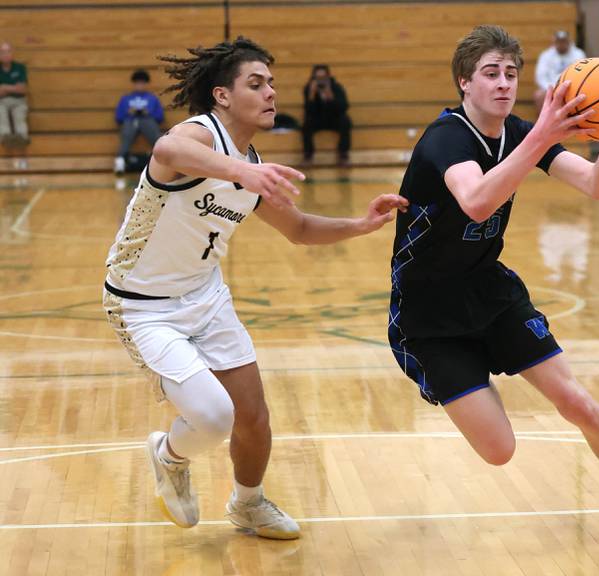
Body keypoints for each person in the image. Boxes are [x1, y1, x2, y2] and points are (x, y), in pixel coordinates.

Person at [387, 25, 599, 535]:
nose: (503, 84)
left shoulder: (521, 131)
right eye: (490, 74)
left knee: (575, 400)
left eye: (511, 73)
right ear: (464, 82)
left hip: (489, 289)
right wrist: (544, 134)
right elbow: (477, 201)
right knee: (499, 449)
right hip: (427, 312)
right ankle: (461, 380)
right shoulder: (445, 138)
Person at [102, 37, 407, 539]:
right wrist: (244, 171)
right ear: (222, 96)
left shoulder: (250, 162)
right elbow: (164, 148)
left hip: (205, 296)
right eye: (256, 83)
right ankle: (168, 453)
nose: (271, 93)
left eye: (272, 84)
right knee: (214, 416)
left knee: (253, 415)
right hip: (141, 305)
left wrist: (359, 223)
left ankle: (248, 504)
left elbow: (301, 228)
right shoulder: (199, 135)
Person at [114, 69, 165, 174]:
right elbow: (119, 117)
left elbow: (160, 117)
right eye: (137, 83)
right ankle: (120, 160)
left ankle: (163, 158)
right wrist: (129, 113)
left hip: (147, 122)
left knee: (148, 123)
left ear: (146, 84)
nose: (140, 85)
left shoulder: (152, 99)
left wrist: (147, 113)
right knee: (130, 125)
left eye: (142, 83)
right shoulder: (126, 99)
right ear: (134, 84)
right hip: (131, 122)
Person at [302, 64, 351, 165]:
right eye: (318, 78)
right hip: (317, 119)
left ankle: (343, 155)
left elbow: (343, 107)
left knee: (345, 121)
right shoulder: (309, 88)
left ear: (328, 77)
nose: (321, 81)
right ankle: (308, 156)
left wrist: (331, 97)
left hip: (334, 119)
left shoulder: (336, 87)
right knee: (306, 124)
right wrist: (311, 96)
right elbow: (308, 111)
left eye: (323, 78)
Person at [533, 31, 585, 114]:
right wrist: (551, 89)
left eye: (564, 41)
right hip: (550, 88)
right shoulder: (546, 55)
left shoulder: (578, 54)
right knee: (539, 95)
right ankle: (543, 124)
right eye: (559, 42)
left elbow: (582, 75)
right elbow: (540, 77)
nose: (561, 44)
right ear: (555, 42)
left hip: (572, 88)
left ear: (568, 41)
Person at [0, 41, 29, 148]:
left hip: (19, 101)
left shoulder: (20, 68)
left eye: (8, 51)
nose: (5, 54)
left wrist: (4, 87)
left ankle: (22, 138)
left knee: (19, 117)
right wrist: (14, 88)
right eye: (2, 52)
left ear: (12, 53)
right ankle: (5, 138)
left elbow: (22, 89)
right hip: (1, 102)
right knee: (0, 115)